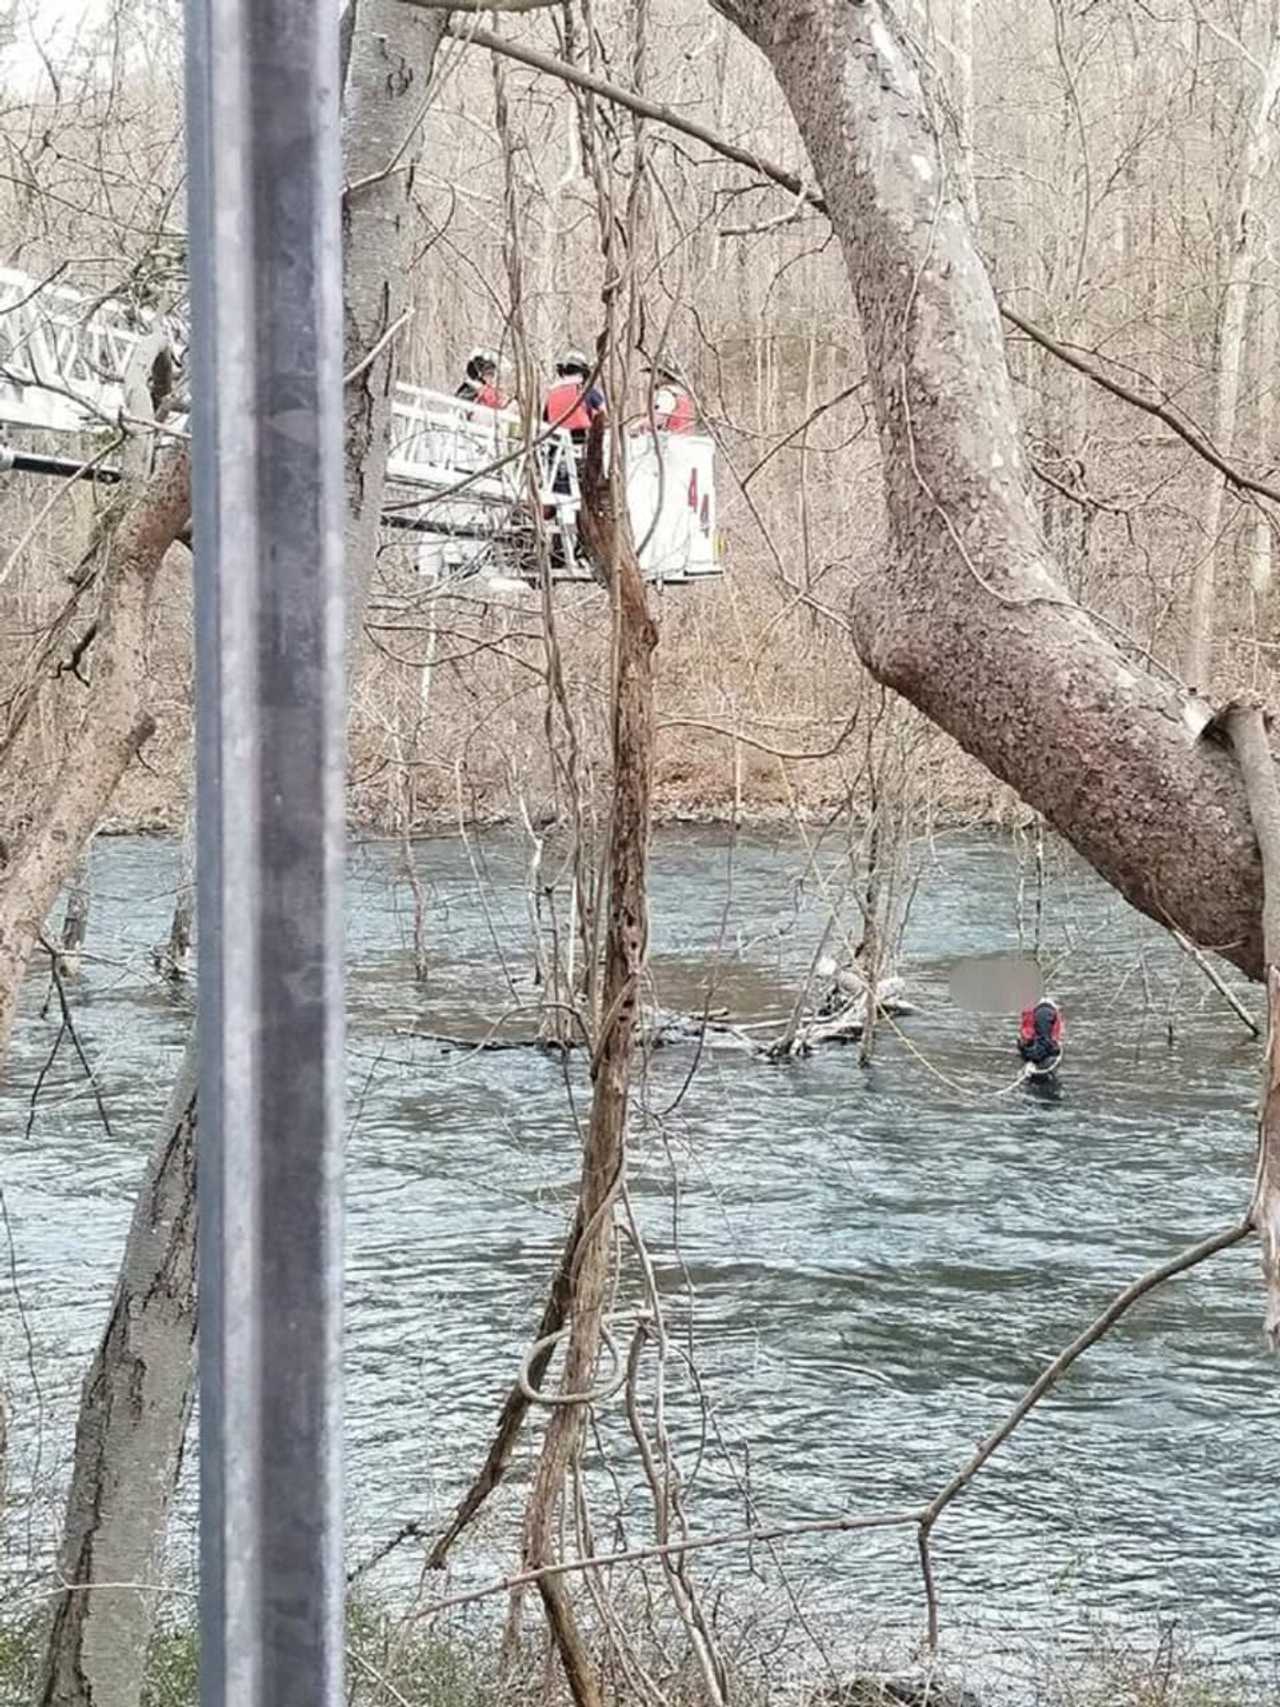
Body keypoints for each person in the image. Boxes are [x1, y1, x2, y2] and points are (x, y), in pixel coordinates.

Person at [543, 349, 604, 445]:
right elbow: (604, 413)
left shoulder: (552, 392)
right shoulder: (587, 391)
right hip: (579, 442)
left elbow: (545, 418)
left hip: (554, 442)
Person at [1018, 997, 1063, 1092]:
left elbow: (1044, 1041)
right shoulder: (1041, 1013)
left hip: (1040, 1056)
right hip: (1038, 1055)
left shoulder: (1042, 1013)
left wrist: (1026, 1053)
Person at [648, 358, 696, 433]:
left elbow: (659, 418)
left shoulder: (666, 394)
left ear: (664, 376)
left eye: (654, 374)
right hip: (685, 437)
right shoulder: (681, 393)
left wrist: (637, 427)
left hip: (669, 438)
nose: (652, 378)